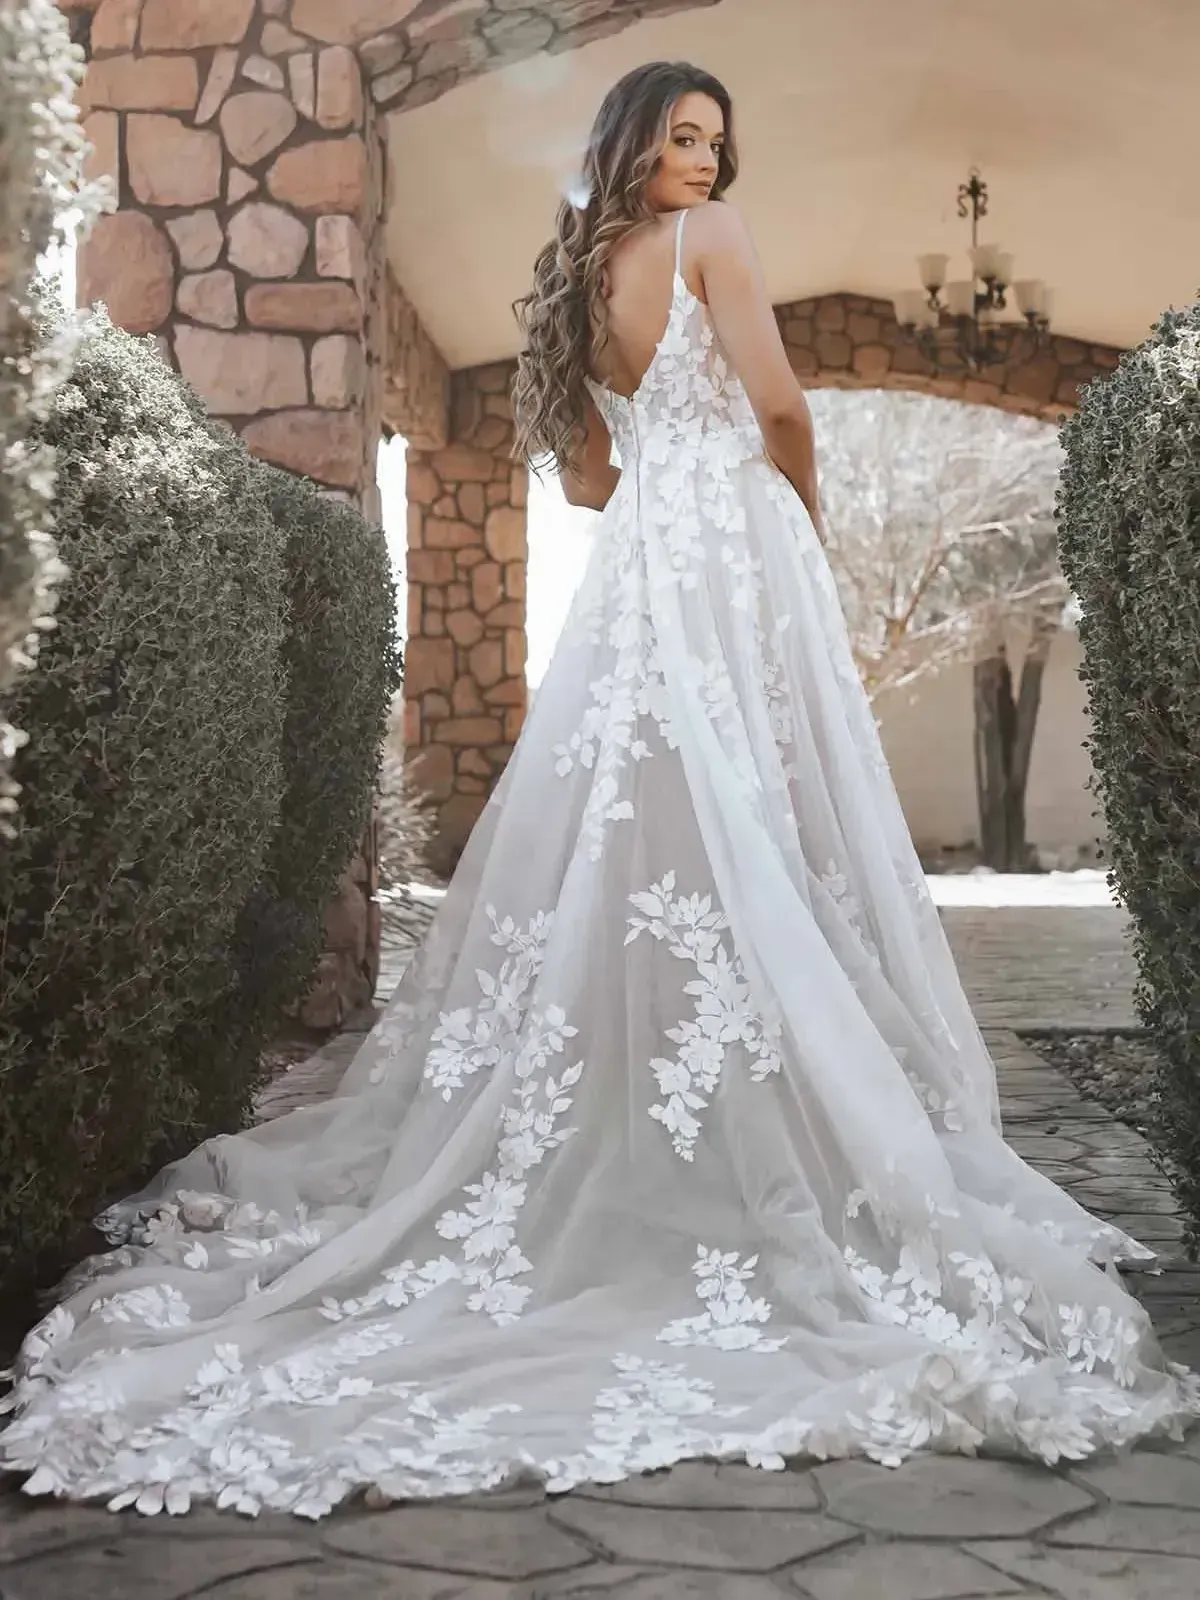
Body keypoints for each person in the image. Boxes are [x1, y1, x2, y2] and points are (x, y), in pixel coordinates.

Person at [1, 60, 1195, 1522]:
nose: (706, 161)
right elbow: (784, 412)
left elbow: (578, 483)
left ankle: (644, 1120)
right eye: (686, 137)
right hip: (733, 552)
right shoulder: (714, 246)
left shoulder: (579, 276)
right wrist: (793, 542)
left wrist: (661, 478)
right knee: (753, 821)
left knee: (641, 830)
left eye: (716, 142)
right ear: (638, 144)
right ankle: (758, 1125)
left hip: (642, 570)